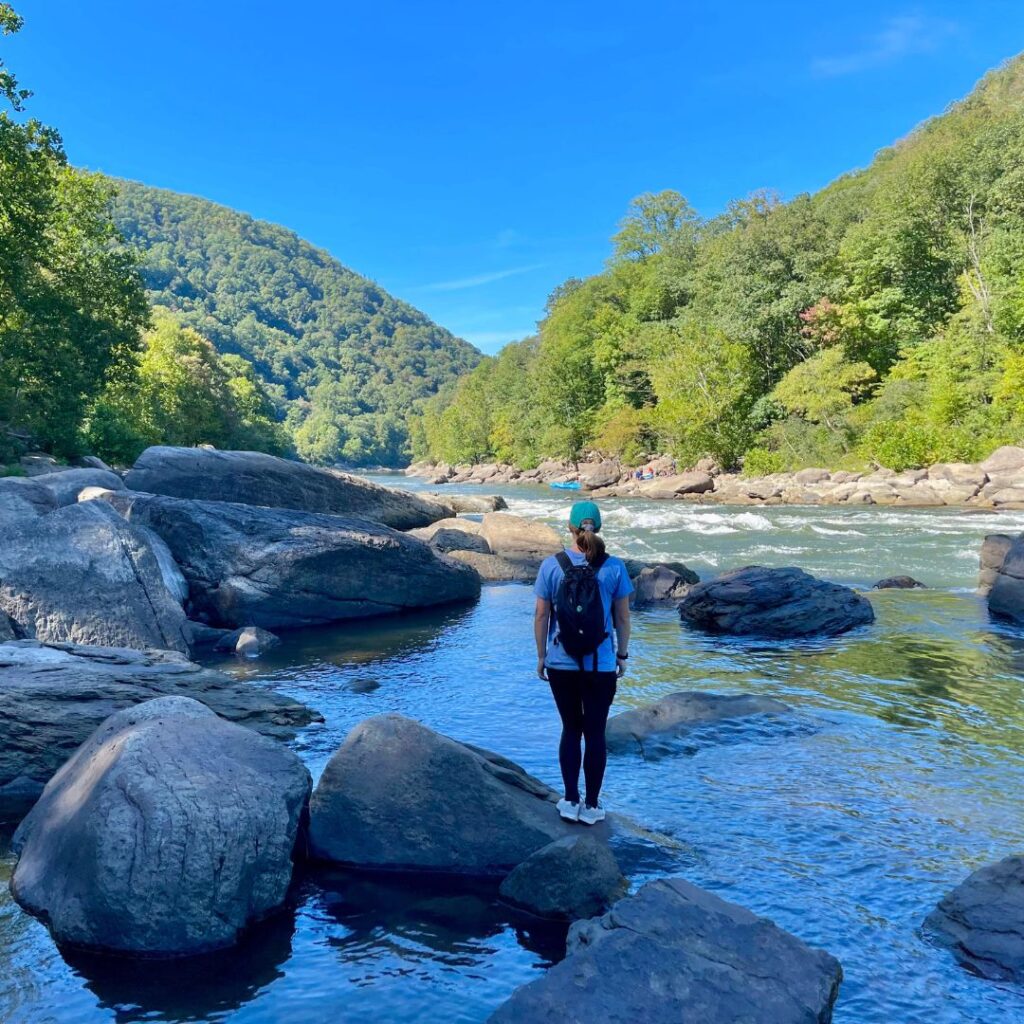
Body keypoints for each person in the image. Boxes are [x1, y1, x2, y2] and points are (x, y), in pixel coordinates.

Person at [533, 500, 633, 825]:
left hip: (561, 663)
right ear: (598, 527)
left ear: (570, 527)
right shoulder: (614, 567)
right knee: (595, 732)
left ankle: (569, 800)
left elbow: (541, 615)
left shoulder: (552, 565)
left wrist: (541, 657)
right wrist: (622, 655)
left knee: (570, 729)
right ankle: (591, 806)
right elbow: (622, 617)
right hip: (600, 665)